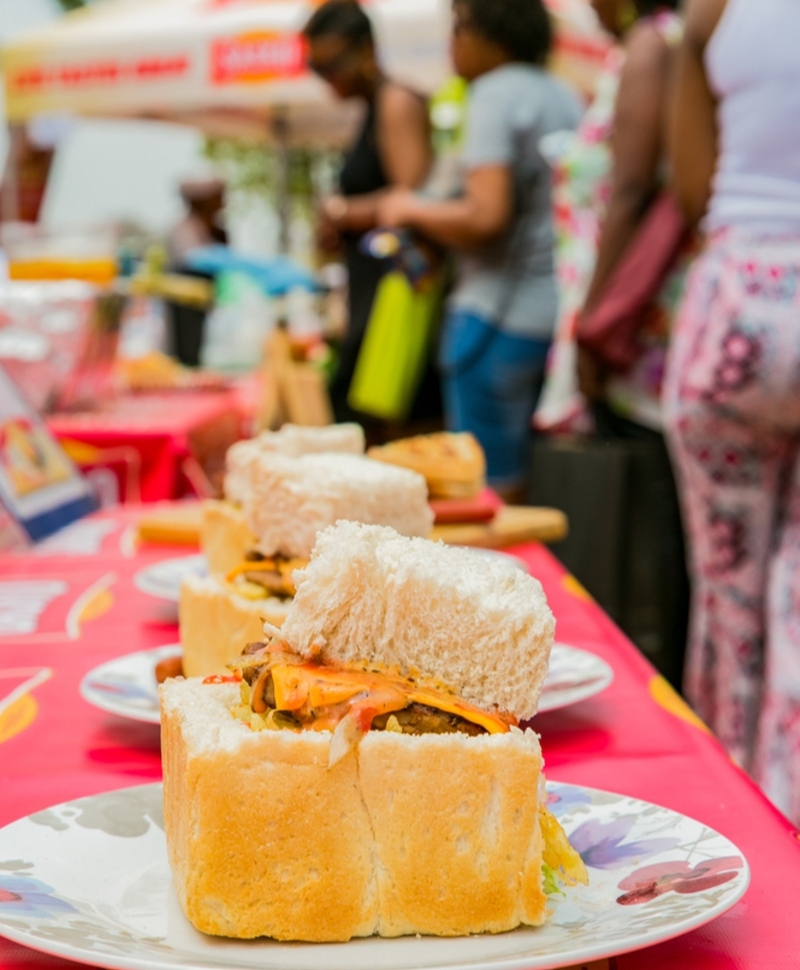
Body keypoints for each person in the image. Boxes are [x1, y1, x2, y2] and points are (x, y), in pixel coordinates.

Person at [665, 0, 800, 824]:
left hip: (736, 310)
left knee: (728, 605)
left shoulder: (713, 10)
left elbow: (690, 186)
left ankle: (728, 818)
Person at [379, 0, 581, 501]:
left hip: (493, 318)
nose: (453, 42)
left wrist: (408, 208)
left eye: (459, 26)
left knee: (484, 491)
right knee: (535, 483)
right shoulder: (566, 95)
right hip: (551, 318)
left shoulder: (491, 94)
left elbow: (485, 215)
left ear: (493, 31)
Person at [303, 0, 432, 428]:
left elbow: (409, 204)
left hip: (391, 299)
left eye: (332, 65)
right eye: (315, 68)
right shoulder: (372, 106)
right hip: (370, 293)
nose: (326, 80)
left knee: (374, 428)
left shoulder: (396, 102)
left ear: (367, 50)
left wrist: (342, 211)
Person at [166, 177, 228, 367]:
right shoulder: (183, 230)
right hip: (185, 308)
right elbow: (194, 261)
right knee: (188, 357)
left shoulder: (217, 231)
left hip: (209, 305)